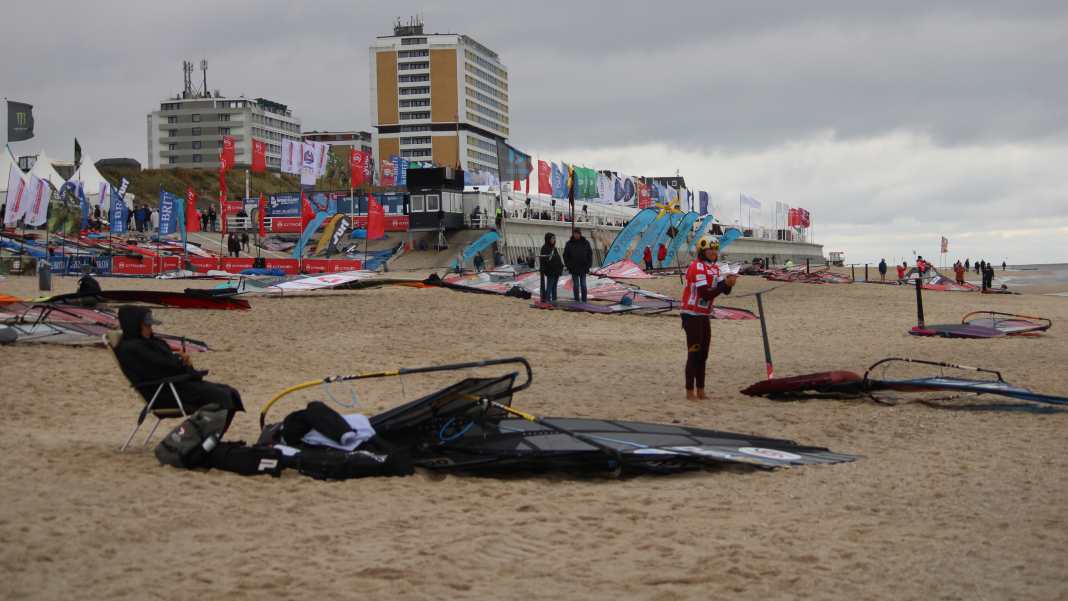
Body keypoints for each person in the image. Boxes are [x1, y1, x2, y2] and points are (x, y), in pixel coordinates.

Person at [114, 306, 244, 433]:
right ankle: (206, 438)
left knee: (231, 393)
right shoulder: (131, 349)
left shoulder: (150, 342)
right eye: (147, 325)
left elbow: (166, 363)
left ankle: (213, 437)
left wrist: (182, 362)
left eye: (150, 325)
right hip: (164, 393)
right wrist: (182, 362)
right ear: (134, 326)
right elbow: (159, 367)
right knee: (221, 396)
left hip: (175, 385)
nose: (150, 328)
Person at [680, 235, 737, 400]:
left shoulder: (716, 268)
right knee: (694, 352)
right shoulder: (696, 267)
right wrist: (724, 285)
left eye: (715, 249)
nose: (713, 252)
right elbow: (705, 293)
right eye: (710, 250)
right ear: (702, 251)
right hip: (691, 314)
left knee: (703, 354)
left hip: (704, 314)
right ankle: (689, 391)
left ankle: (701, 390)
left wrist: (729, 283)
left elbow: (724, 291)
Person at [563, 229, 593, 303]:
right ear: (573, 234)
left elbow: (590, 254)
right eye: (575, 234)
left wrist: (589, 265)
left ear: (580, 234)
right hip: (574, 268)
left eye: (578, 234)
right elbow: (565, 256)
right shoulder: (569, 243)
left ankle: (584, 300)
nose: (576, 235)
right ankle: (576, 300)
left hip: (584, 268)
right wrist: (568, 266)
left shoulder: (585, 243)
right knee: (576, 286)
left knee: (583, 285)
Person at [538, 232, 563, 303]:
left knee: (554, 286)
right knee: (550, 285)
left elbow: (558, 258)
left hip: (557, 270)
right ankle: (547, 300)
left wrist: (561, 266)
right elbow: (544, 260)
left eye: (554, 238)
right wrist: (545, 269)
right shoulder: (544, 248)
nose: (554, 240)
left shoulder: (554, 248)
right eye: (552, 238)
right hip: (550, 270)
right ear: (548, 239)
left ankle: (554, 300)